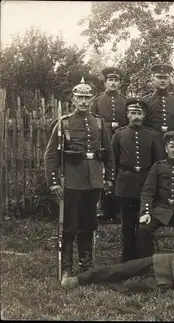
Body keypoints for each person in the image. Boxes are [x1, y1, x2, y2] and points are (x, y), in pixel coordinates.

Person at [44, 77, 114, 279]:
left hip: (93, 180)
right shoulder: (63, 123)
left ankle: (86, 264)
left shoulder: (99, 123)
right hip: (71, 181)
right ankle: (67, 267)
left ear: (91, 99)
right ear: (72, 100)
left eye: (87, 98)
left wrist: (109, 178)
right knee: (69, 225)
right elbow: (51, 156)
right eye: (79, 98)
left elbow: (108, 153)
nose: (83, 102)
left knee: (89, 222)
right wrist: (54, 182)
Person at [60, 220, 174, 297]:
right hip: (161, 262)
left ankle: (100, 283)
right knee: (122, 269)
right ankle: (78, 280)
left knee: (131, 287)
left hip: (166, 282)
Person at [111, 98, 164, 262]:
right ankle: (127, 259)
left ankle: (144, 259)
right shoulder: (119, 135)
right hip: (125, 185)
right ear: (127, 115)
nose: (136, 116)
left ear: (144, 115)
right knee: (127, 225)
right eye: (133, 113)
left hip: (146, 185)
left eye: (139, 113)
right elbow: (113, 161)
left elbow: (158, 162)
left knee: (144, 224)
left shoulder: (153, 135)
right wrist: (113, 182)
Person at [90, 67, 127, 223]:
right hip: (103, 141)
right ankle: (104, 209)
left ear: (119, 83)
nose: (113, 83)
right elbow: (92, 121)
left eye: (116, 80)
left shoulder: (124, 101)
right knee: (104, 173)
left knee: (119, 172)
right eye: (110, 80)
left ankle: (118, 210)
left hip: (120, 141)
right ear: (105, 82)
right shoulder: (97, 101)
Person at [143, 63, 174, 139]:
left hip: (172, 142)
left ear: (170, 79)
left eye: (165, 78)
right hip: (152, 141)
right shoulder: (146, 101)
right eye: (159, 77)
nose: (162, 81)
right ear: (153, 79)